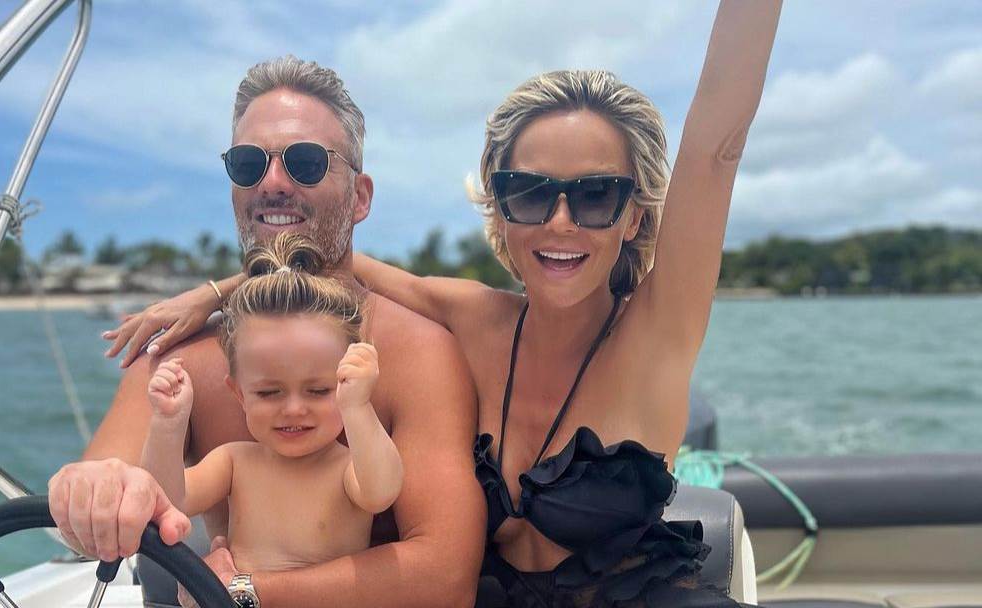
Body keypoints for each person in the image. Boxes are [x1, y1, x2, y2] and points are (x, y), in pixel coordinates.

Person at [104, 1, 781, 604]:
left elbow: (716, 150)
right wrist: (219, 292)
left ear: (634, 216)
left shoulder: (658, 331)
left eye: (596, 195)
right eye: (530, 193)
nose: (560, 222)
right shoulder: (475, 319)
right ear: (501, 210)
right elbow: (328, 253)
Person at [49, 56, 484, 608]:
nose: (272, 182)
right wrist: (86, 492)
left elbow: (445, 576)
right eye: (248, 164)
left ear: (359, 197)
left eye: (305, 163)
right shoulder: (182, 358)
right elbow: (102, 489)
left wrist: (239, 593)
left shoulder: (417, 353)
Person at [142, 233, 403, 606]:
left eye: (318, 391)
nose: (294, 409)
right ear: (239, 394)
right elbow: (168, 502)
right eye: (269, 393)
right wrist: (168, 426)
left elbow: (382, 490)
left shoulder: (348, 468)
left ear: (344, 385)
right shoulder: (234, 461)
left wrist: (359, 407)